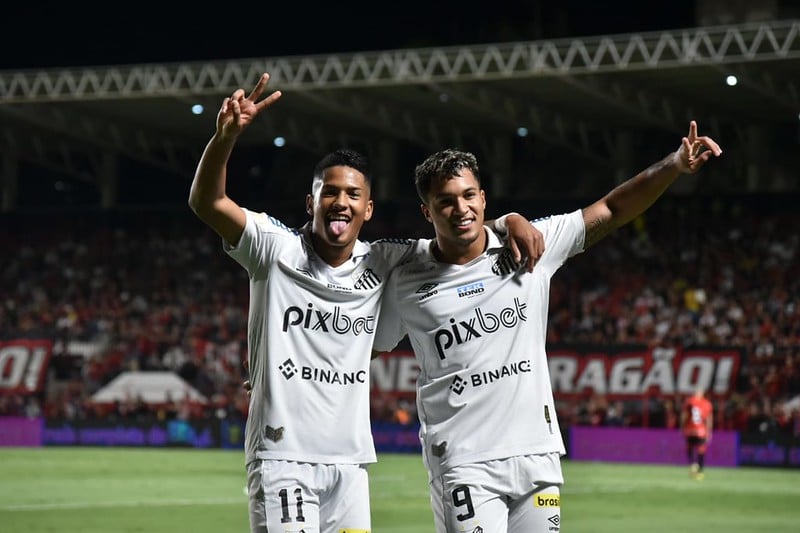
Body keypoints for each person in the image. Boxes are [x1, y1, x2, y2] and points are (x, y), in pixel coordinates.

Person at [188, 72, 544, 533]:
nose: (341, 202)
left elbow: (456, 228)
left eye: (353, 194)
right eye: (329, 192)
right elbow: (206, 201)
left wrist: (507, 220)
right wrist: (224, 138)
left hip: (350, 466)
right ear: (310, 202)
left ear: (368, 209)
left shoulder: (385, 259)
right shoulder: (274, 250)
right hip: (283, 458)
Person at [372, 122, 722, 532]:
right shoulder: (406, 279)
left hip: (536, 455)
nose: (461, 208)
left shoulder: (532, 244)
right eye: (445, 201)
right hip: (462, 462)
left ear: (483, 199)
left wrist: (675, 165)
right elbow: (361, 348)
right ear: (426, 211)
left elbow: (611, 209)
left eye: (469, 195)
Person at [681, 388, 713, 480]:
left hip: (690, 429)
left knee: (690, 447)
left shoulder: (689, 402)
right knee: (701, 450)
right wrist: (709, 431)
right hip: (701, 431)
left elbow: (684, 416)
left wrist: (682, 427)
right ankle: (700, 471)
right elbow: (708, 419)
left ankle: (692, 464)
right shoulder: (707, 403)